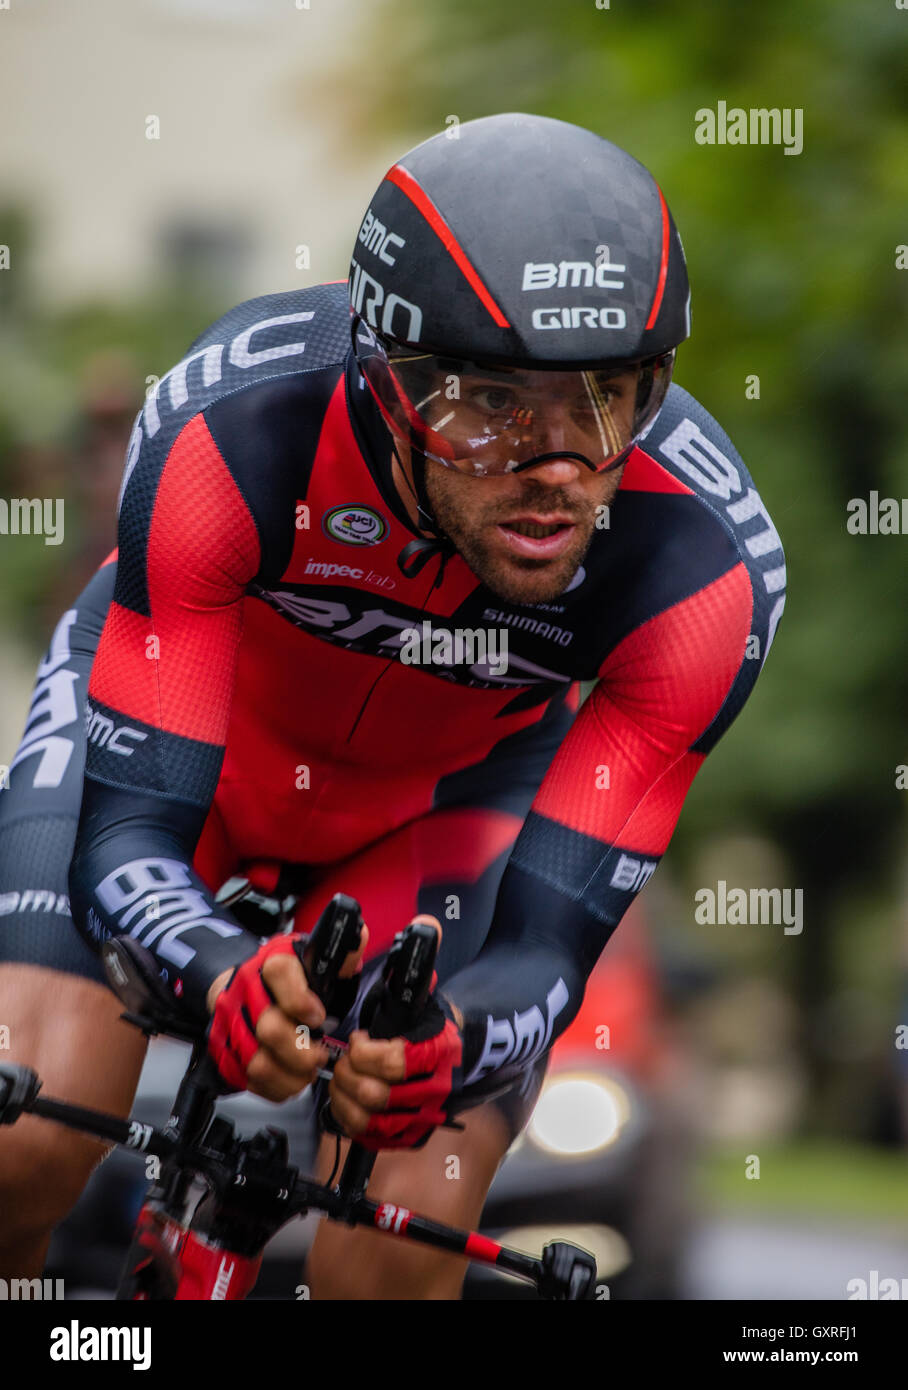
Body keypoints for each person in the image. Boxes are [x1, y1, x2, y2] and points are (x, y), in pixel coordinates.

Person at [0, 112, 785, 1298]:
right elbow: (127, 840)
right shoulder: (236, 427)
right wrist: (217, 970)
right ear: (386, 372)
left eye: (606, 397)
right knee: (27, 1143)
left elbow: (540, 950)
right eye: (490, 402)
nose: (557, 462)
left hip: (435, 823)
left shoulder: (702, 571)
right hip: (191, 772)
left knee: (391, 1266)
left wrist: (454, 1045)